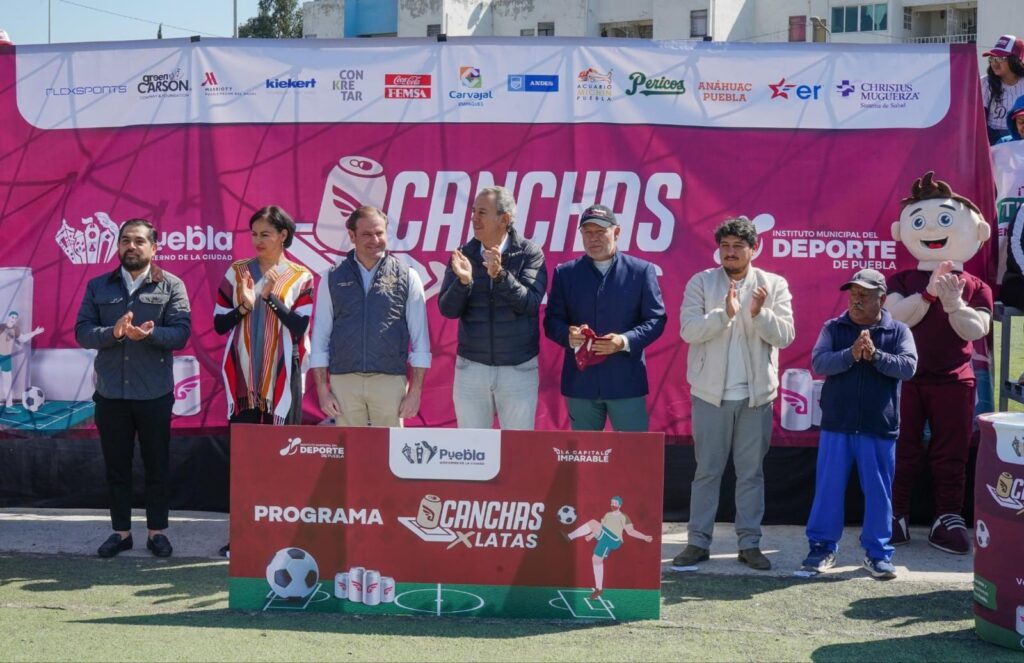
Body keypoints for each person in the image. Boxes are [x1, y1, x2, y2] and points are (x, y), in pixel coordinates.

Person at [675, 216, 795, 571]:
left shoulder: (773, 284)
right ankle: (697, 542)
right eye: (724, 246)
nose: (730, 252)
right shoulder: (701, 282)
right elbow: (688, 331)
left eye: (738, 247)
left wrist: (759, 314)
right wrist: (723, 313)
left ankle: (749, 544)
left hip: (756, 399)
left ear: (753, 249)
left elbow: (785, 336)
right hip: (710, 395)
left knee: (751, 474)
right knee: (707, 472)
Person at [886, 172, 993, 555]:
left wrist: (954, 303)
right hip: (905, 378)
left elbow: (976, 329)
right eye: (920, 222)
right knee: (901, 449)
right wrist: (929, 294)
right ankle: (894, 514)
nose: (932, 229)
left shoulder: (976, 285)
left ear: (978, 231)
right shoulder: (900, 280)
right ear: (901, 231)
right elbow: (895, 318)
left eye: (945, 220)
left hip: (954, 380)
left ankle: (947, 516)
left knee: (952, 452)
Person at [75, 219, 191, 558]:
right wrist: (113, 333)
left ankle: (157, 533)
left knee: (157, 465)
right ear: (118, 246)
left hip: (154, 394)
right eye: (125, 240)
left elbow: (181, 333)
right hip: (111, 394)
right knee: (117, 467)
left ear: (154, 248)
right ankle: (121, 533)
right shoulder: (98, 286)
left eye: (139, 241)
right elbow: (82, 332)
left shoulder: (172, 286)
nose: (131, 246)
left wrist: (149, 334)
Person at [801, 269, 918, 580]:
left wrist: (876, 356)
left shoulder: (899, 331)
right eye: (853, 294)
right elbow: (819, 362)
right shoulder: (833, 327)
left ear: (882, 298)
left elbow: (908, 368)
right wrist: (851, 354)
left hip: (878, 427)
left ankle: (878, 554)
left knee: (879, 494)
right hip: (837, 425)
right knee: (828, 490)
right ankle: (822, 547)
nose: (856, 300)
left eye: (864, 295)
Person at [214, 205, 313, 557]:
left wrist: (269, 298)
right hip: (244, 381)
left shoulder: (301, 276)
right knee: (245, 462)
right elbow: (219, 324)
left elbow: (300, 327)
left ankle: (280, 537)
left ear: (283, 235)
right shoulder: (237, 271)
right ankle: (242, 536)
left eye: (265, 234)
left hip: (283, 381)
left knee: (281, 458)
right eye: (254, 234)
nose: (258, 240)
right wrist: (244, 307)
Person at [543, 204, 666, 431]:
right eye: (587, 232)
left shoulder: (641, 271)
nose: (593, 238)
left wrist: (624, 341)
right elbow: (552, 321)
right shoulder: (565, 273)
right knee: (584, 451)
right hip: (581, 384)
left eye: (600, 231)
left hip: (626, 382)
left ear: (616, 232)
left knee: (633, 450)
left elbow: (656, 320)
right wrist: (569, 335)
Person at [438, 186, 547, 429]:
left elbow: (530, 304)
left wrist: (499, 276)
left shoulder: (529, 254)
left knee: (517, 447)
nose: (474, 218)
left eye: (482, 212)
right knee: (471, 447)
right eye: (473, 211)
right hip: (471, 368)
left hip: (518, 368)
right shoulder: (464, 254)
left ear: (504, 219)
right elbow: (448, 310)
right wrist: (463, 282)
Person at [311, 206, 430, 427]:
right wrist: (322, 390)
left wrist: (415, 392)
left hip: (390, 380)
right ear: (352, 236)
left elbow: (420, 339)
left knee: (390, 448)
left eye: (379, 233)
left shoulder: (408, 276)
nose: (375, 240)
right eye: (366, 234)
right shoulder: (332, 277)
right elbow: (320, 336)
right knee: (349, 447)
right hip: (344, 381)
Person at [564, 496, 653, 600]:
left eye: (615, 503)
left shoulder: (624, 517)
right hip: (605, 537)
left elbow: (631, 531)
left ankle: (570, 536)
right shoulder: (607, 515)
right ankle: (599, 589)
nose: (613, 505)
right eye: (612, 503)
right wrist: (591, 535)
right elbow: (601, 527)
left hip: (614, 540)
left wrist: (644, 537)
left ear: (620, 505)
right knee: (596, 559)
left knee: (593, 522)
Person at [981, 34, 1024, 145]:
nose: (994, 63)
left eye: (1000, 58)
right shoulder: (985, 82)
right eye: (992, 58)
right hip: (993, 139)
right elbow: (979, 118)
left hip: (1019, 137)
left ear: (1015, 61)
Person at [0, 311, 43, 408]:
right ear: (8, 317)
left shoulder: (15, 329)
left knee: (7, 383)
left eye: (15, 318)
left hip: (7, 358)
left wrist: (35, 332)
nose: (13, 319)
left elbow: (23, 338)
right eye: (12, 317)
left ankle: (9, 406)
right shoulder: (1, 327)